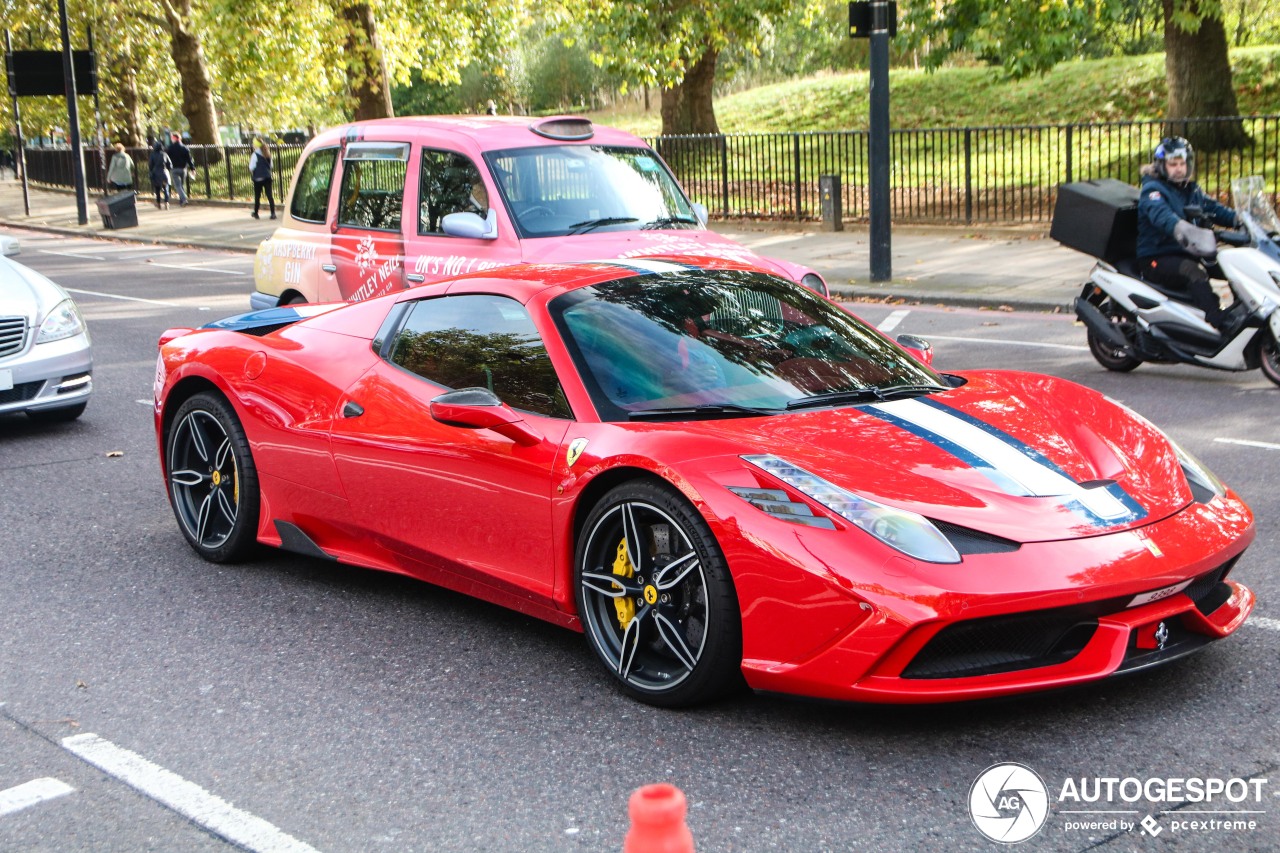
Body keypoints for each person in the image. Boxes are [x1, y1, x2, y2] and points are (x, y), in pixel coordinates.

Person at [1136, 136, 1240, 330]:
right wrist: (1182, 229)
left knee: (1233, 267)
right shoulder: (1153, 190)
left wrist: (1240, 220)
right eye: (1173, 164)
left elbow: (1214, 209)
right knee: (1194, 271)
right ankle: (1216, 321)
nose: (1179, 168)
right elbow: (1162, 216)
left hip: (1188, 250)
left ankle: (1244, 314)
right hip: (1157, 256)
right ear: (1161, 165)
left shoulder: (1190, 189)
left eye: (1182, 163)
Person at [248, 141, 275, 219]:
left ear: (256, 146)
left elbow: (251, 167)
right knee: (270, 195)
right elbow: (271, 166)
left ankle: (256, 213)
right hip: (267, 177)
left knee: (257, 196)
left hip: (258, 178)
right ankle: (273, 213)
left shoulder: (255, 155)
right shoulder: (268, 154)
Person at [166, 132, 192, 206]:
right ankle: (181, 201)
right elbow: (189, 159)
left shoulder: (170, 148)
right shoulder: (184, 147)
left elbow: (167, 159)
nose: (171, 139)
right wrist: (192, 167)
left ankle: (183, 199)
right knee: (181, 185)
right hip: (183, 168)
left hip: (174, 169)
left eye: (172, 138)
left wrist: (167, 167)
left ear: (174, 138)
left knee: (178, 185)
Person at [148, 141, 172, 209]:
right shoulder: (164, 154)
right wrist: (167, 169)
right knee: (165, 188)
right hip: (164, 173)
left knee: (157, 189)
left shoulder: (152, 155)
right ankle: (166, 203)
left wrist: (151, 171)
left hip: (156, 174)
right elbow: (170, 164)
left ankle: (158, 203)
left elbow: (150, 165)